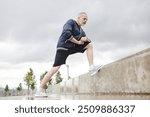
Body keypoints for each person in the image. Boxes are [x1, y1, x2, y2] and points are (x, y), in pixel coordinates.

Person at [35, 12, 102, 97]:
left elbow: (84, 41)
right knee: (55, 69)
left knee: (89, 45)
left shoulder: (81, 31)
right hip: (63, 46)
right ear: (78, 18)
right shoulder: (71, 22)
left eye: (86, 20)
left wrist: (84, 39)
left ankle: (91, 67)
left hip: (72, 47)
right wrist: (78, 41)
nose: (85, 21)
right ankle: (40, 89)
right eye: (84, 18)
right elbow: (66, 33)